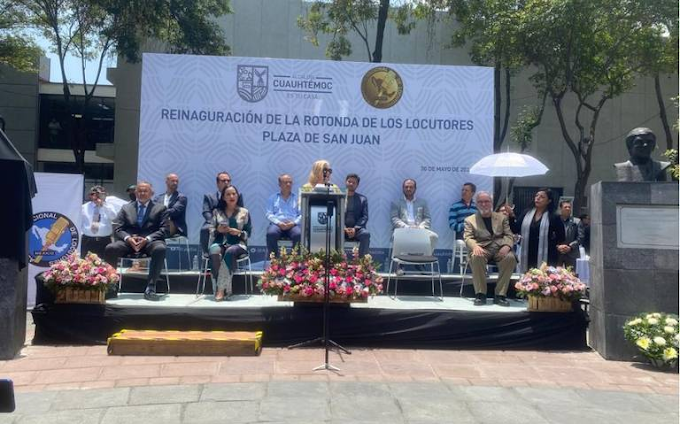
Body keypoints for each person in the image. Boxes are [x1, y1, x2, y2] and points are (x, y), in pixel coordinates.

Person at [104, 182, 169, 301]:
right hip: (129, 242)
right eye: (140, 191)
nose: (142, 193)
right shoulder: (126, 208)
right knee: (110, 248)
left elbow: (165, 229)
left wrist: (147, 239)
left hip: (150, 242)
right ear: (135, 193)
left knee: (160, 248)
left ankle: (151, 288)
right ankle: (111, 286)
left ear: (151, 193)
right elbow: (118, 228)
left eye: (145, 191)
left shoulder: (161, 208)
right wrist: (128, 238)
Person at [464, 192, 516, 306]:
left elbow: (508, 234)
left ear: (491, 203)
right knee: (476, 256)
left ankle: (500, 295)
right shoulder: (470, 220)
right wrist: (475, 246)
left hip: (500, 248)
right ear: (476, 204)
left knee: (510, 258)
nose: (484, 204)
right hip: (482, 248)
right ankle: (480, 294)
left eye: (486, 201)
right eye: (480, 202)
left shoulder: (502, 218)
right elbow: (468, 238)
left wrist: (507, 246)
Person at [208, 185, 251, 301]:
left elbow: (248, 233)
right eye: (228, 194)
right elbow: (211, 230)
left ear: (237, 196)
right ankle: (224, 287)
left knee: (230, 251)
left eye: (234, 194)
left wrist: (239, 232)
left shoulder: (244, 212)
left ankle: (221, 289)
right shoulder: (217, 212)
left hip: (238, 244)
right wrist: (218, 230)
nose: (231, 196)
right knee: (214, 250)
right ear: (223, 197)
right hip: (221, 242)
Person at [514, 188, 565, 272]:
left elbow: (561, 236)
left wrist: (552, 243)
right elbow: (515, 229)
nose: (537, 198)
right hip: (527, 251)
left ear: (549, 201)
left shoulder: (553, 216)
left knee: (543, 278)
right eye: (537, 196)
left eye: (542, 197)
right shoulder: (526, 213)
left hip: (547, 252)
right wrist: (511, 216)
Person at [201, 172, 244, 254]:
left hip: (232, 222)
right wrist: (216, 223)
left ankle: (237, 252)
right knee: (205, 229)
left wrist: (230, 222)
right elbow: (206, 212)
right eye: (223, 180)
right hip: (214, 222)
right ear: (217, 183)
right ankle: (207, 254)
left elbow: (240, 211)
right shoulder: (209, 197)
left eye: (228, 180)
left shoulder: (237, 196)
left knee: (239, 228)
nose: (226, 182)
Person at [390, 178, 438, 251]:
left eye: (411, 187)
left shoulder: (422, 202)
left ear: (415, 189)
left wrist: (420, 227)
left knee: (434, 236)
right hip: (402, 230)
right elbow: (394, 219)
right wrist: (407, 227)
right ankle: (398, 260)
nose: (408, 189)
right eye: (406, 187)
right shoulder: (396, 202)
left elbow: (427, 218)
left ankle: (425, 258)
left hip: (419, 229)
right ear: (403, 188)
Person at [266, 174, 302, 257]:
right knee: (271, 233)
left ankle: (295, 262)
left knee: (298, 234)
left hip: (292, 225)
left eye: (290, 182)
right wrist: (279, 223)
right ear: (279, 184)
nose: (288, 184)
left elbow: (302, 214)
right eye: (286, 182)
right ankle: (275, 261)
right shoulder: (273, 198)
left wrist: (293, 223)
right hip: (277, 225)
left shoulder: (298, 198)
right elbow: (269, 214)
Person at [81, 185, 117, 258]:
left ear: (103, 195)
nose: (95, 196)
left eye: (98, 194)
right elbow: (79, 222)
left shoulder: (109, 206)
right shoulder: (84, 207)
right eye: (92, 194)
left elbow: (114, 217)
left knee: (105, 266)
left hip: (104, 241)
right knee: (86, 266)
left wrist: (103, 204)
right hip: (88, 240)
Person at [344, 173, 370, 257]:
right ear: (345, 182)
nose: (351, 184)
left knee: (365, 234)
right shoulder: (339, 197)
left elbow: (364, 217)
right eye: (349, 181)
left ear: (357, 185)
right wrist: (344, 228)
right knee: (333, 234)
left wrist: (355, 228)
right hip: (342, 230)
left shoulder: (363, 199)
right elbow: (336, 215)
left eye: (353, 183)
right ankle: (337, 264)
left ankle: (362, 264)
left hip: (357, 230)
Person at [153, 173, 188, 237]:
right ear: (166, 182)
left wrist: (159, 212)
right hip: (160, 223)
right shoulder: (158, 198)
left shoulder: (181, 197)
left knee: (167, 222)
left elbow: (174, 211)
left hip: (175, 226)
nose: (175, 183)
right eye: (173, 181)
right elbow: (152, 210)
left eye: (176, 181)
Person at [556, 200, 582, 269]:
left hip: (572, 254)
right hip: (557, 253)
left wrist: (570, 247)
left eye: (569, 207)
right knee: (554, 276)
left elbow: (580, 237)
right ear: (560, 209)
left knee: (571, 277)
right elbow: (551, 236)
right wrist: (558, 246)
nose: (568, 209)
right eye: (565, 207)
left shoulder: (577, 221)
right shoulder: (555, 220)